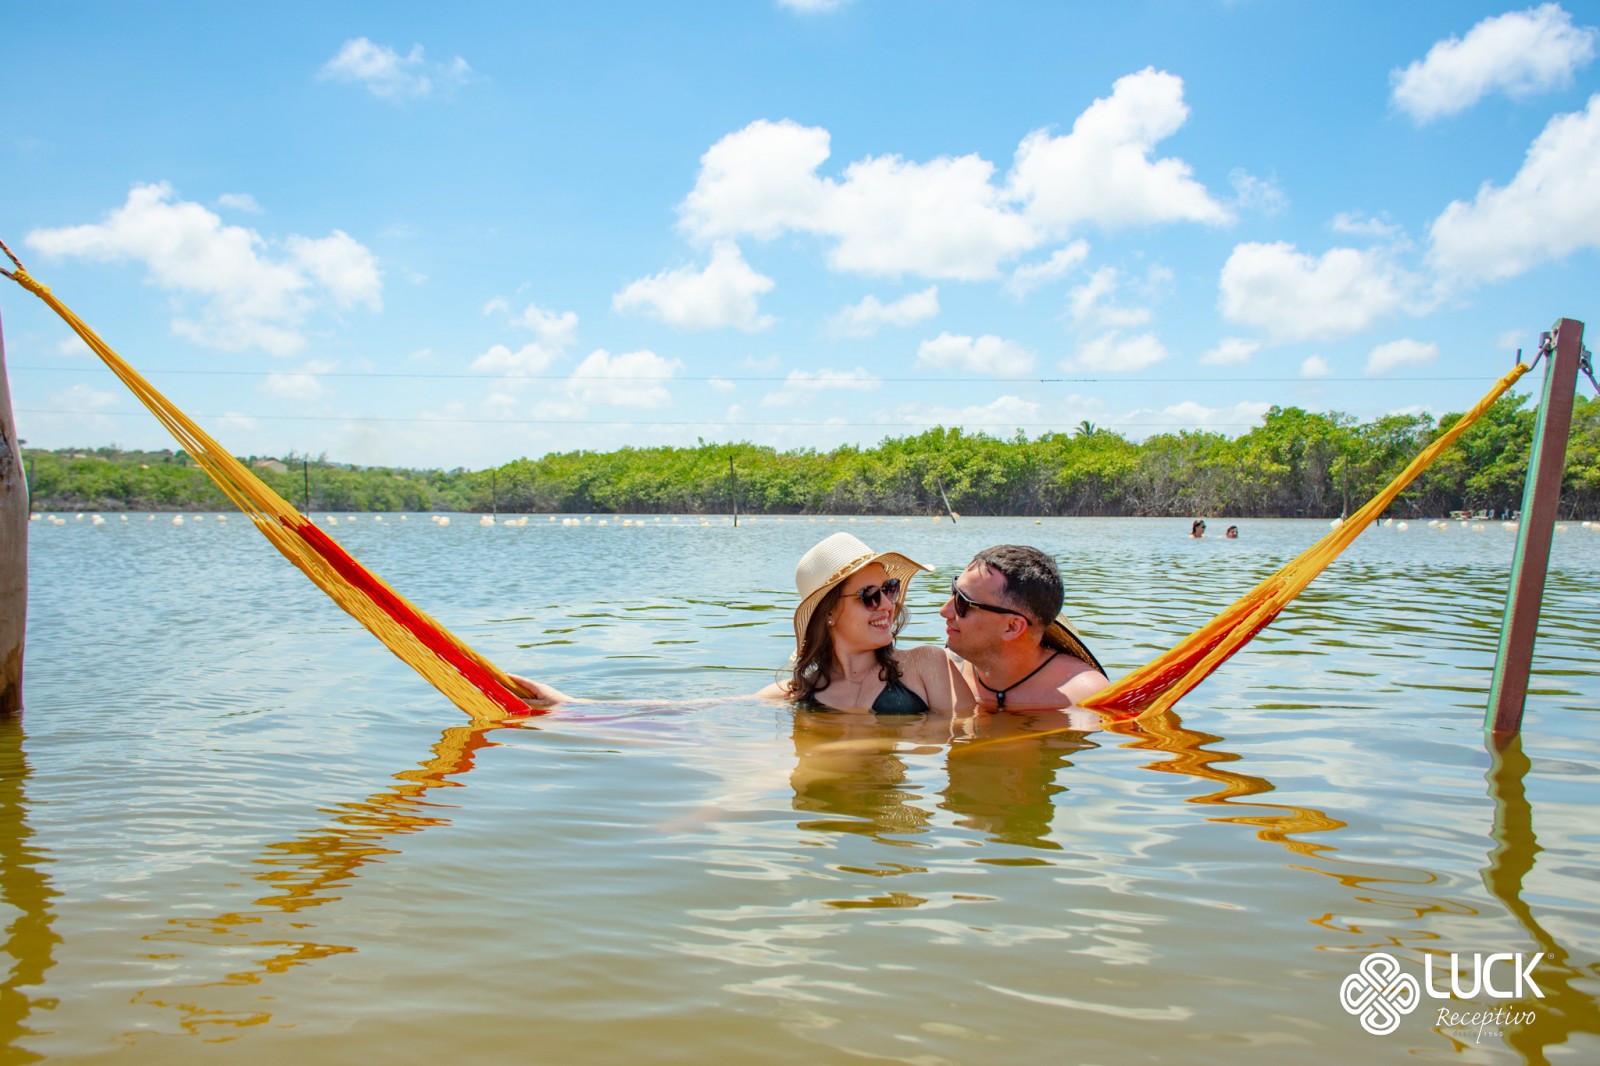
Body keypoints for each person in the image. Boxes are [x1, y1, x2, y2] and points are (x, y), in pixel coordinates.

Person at [758, 532, 974, 713]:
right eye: (869, 595)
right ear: (829, 613)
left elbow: (971, 737)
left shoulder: (926, 665)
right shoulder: (798, 692)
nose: (888, 605)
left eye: (889, 589)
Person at [940, 544, 1109, 711]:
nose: (944, 611)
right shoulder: (937, 674)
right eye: (953, 591)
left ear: (1012, 627)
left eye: (962, 602)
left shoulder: (1084, 696)